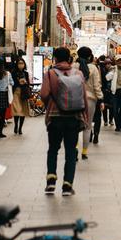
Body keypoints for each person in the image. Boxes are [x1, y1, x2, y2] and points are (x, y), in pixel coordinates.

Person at [41, 47, 87, 196]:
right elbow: (83, 97)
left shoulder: (50, 73)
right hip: (73, 118)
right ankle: (67, 185)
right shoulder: (78, 74)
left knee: (53, 149)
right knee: (70, 152)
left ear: (55, 58)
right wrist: (84, 116)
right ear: (69, 58)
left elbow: (44, 94)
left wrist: (51, 103)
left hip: (55, 117)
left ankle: (51, 181)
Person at [77, 47, 104, 160]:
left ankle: (74, 150)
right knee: (87, 127)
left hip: (76, 99)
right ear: (89, 56)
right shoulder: (93, 68)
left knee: (75, 126)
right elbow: (97, 86)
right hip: (90, 100)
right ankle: (84, 152)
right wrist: (101, 99)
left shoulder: (74, 67)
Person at [10, 57, 32, 135]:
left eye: (22, 63)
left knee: (23, 110)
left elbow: (28, 83)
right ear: (17, 64)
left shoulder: (25, 73)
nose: (21, 65)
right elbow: (12, 83)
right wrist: (18, 82)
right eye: (19, 63)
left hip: (24, 93)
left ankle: (20, 128)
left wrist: (25, 82)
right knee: (17, 109)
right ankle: (16, 125)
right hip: (16, 91)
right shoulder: (13, 72)